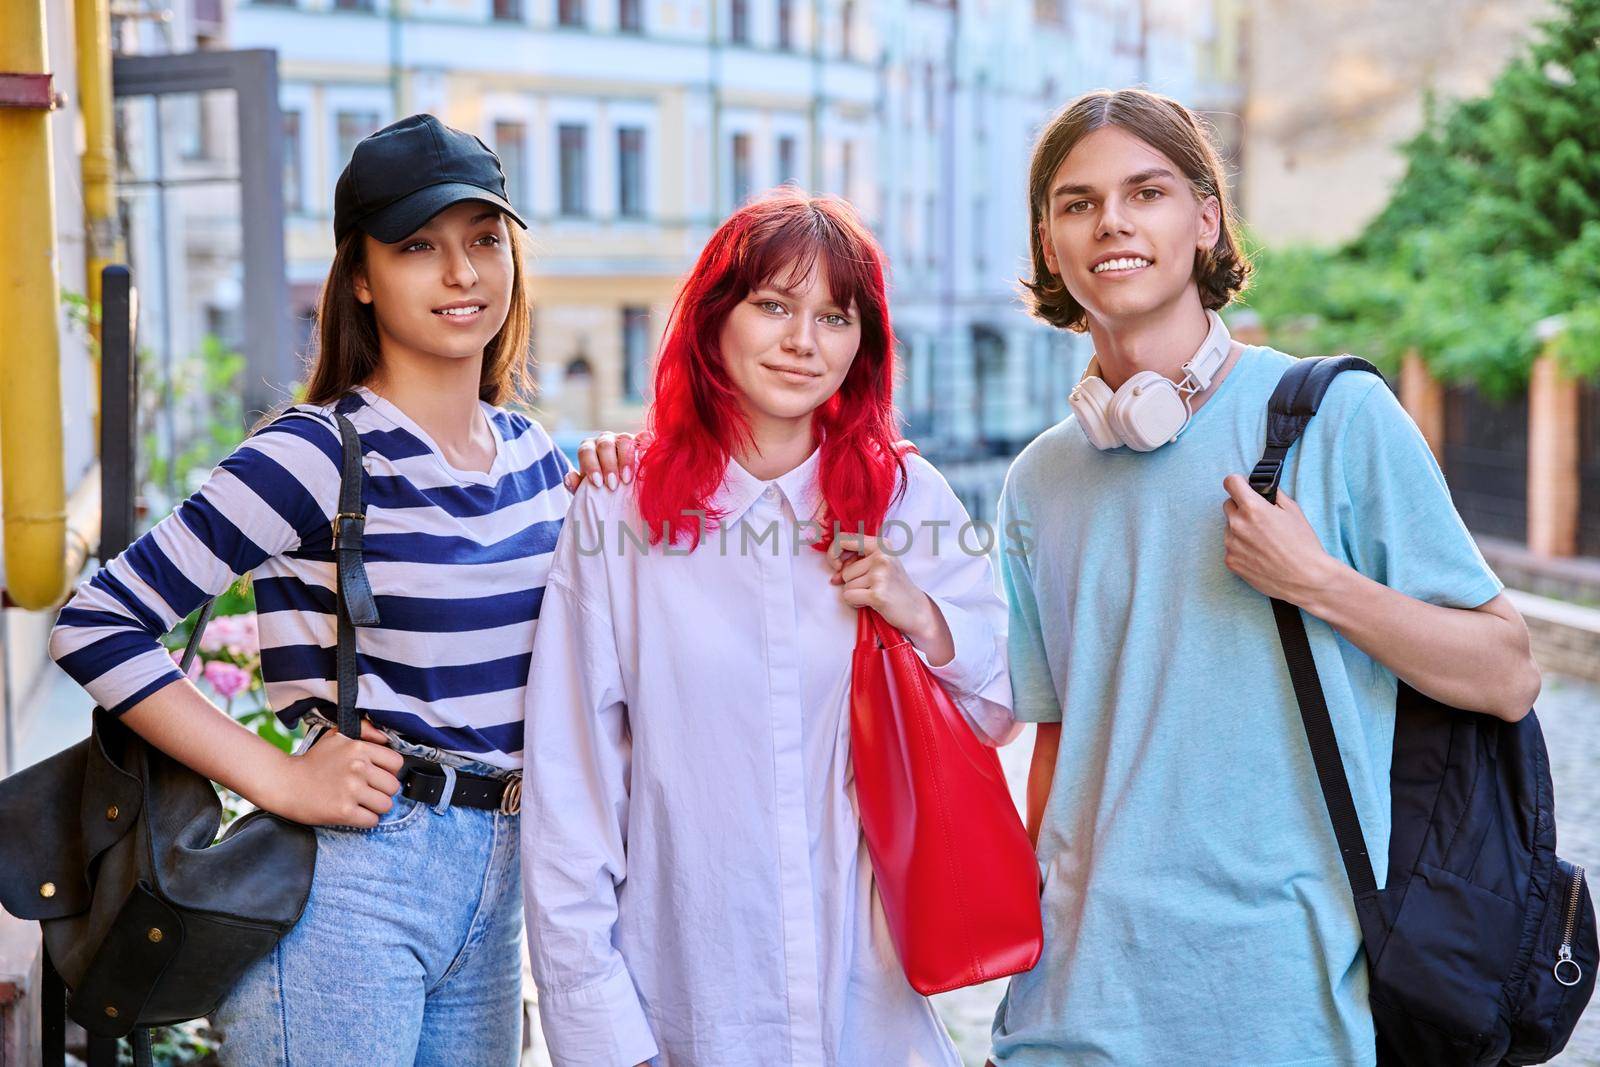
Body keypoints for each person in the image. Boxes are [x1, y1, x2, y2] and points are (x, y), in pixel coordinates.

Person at [986, 88, 1541, 1066]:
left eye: (1145, 191)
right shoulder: (1040, 479)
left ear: (1204, 221)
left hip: (1283, 1011)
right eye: (1076, 203)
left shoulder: (1336, 419)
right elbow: (1057, 737)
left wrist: (1317, 580)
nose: (1110, 220)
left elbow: (1506, 671)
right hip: (1070, 1012)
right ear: (1048, 242)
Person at [48, 114, 574, 1065]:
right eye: (419, 246)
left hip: (500, 879)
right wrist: (280, 773)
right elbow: (96, 623)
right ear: (362, 278)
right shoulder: (317, 451)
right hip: (356, 879)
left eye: (484, 240)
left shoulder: (537, 456)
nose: (462, 273)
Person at [520, 188, 1017, 1067]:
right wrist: (602, 1035)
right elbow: (571, 793)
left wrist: (916, 610)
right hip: (687, 998)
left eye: (835, 316)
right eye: (775, 306)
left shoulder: (906, 499)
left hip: (870, 1002)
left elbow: (996, 710)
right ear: (715, 317)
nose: (803, 342)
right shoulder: (618, 514)